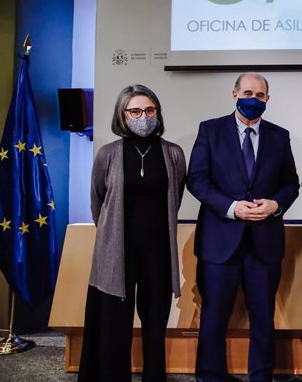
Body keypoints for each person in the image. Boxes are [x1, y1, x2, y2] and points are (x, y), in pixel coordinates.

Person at [187, 72, 300, 382]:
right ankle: (210, 376)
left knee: (263, 317)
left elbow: (291, 183)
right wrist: (232, 207)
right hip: (220, 240)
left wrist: (276, 205)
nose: (254, 99)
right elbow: (196, 179)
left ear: (267, 99)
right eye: (248, 92)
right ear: (234, 95)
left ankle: (260, 376)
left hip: (264, 242)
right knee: (214, 315)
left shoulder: (279, 135)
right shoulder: (210, 130)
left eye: (260, 95)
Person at [79, 85, 187, 382]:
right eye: (136, 111)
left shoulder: (173, 154)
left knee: (155, 322)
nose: (144, 116)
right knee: (115, 323)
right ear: (123, 115)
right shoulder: (108, 154)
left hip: (158, 250)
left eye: (150, 110)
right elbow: (98, 199)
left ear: (158, 114)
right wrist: (111, 235)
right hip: (117, 250)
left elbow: (174, 198)